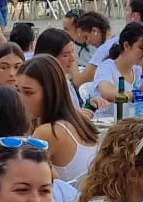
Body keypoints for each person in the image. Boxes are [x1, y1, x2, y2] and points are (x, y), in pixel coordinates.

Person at [17, 56, 100, 184]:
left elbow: (23, 175)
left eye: (29, 93)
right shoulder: (80, 122)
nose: (20, 99)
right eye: (18, 91)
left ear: (49, 93)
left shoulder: (48, 132)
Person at [91, 22, 143, 109]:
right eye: (142, 48)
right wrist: (138, 95)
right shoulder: (106, 67)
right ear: (126, 46)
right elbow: (107, 93)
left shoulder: (139, 70)